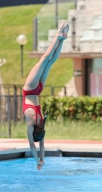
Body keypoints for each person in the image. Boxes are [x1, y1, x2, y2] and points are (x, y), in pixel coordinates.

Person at [23, 23, 69, 170]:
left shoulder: (41, 121)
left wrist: (41, 160)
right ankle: (58, 36)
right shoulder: (31, 120)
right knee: (44, 59)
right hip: (30, 89)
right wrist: (37, 160)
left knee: (50, 62)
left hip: (38, 90)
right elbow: (32, 144)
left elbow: (41, 141)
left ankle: (61, 40)